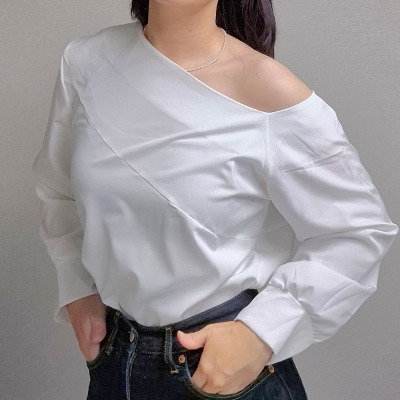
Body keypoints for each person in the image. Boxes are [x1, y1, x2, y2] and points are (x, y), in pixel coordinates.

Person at [32, 1, 399, 399]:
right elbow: (57, 187)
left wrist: (261, 333)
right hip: (115, 363)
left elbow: (358, 231)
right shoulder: (86, 61)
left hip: (219, 373)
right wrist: (76, 286)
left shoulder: (267, 90)